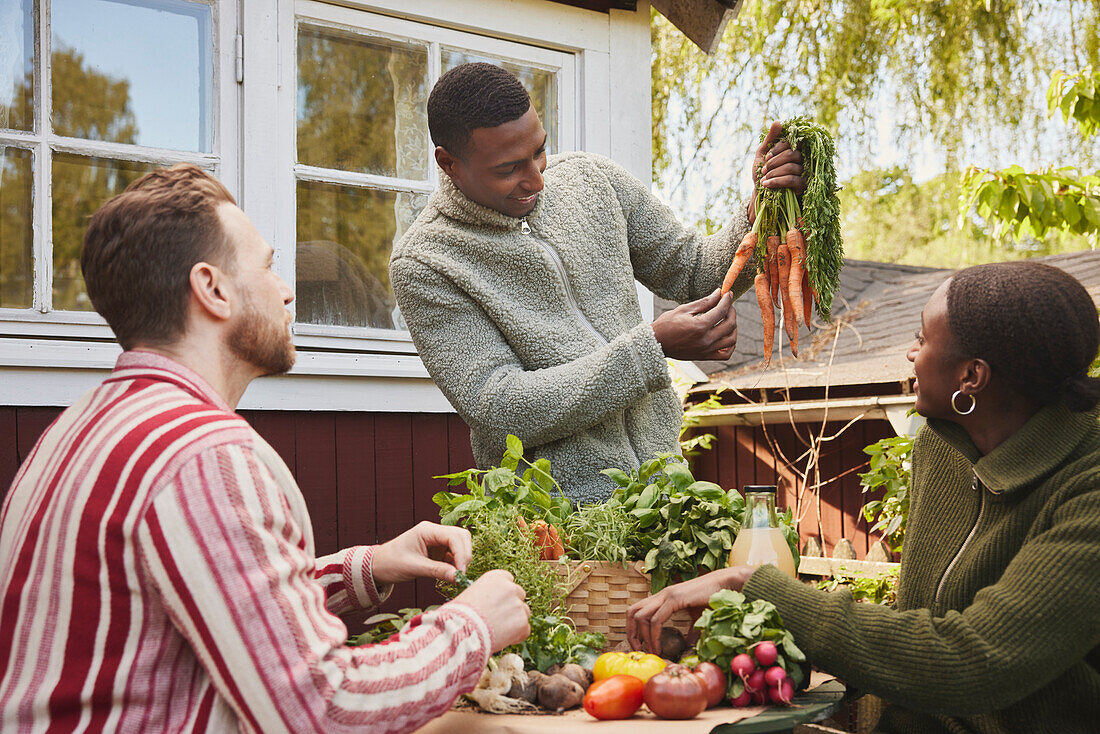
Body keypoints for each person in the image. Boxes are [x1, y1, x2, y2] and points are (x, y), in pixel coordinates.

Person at [0, 164, 530, 733]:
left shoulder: (86, 425)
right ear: (213, 289)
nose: (286, 289)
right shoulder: (201, 455)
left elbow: (215, 598)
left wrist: (368, 566)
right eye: (269, 266)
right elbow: (322, 708)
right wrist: (472, 626)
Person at [626, 261, 1100, 733]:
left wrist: (751, 584)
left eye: (922, 338)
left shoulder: (1087, 490)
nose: (911, 352)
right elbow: (917, 620)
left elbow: (972, 660)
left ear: (971, 376)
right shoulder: (943, 446)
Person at [390, 62, 804, 503]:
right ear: (448, 162)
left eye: (540, 151)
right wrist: (651, 348)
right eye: (508, 168)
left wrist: (760, 209)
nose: (536, 179)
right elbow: (500, 408)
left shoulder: (592, 181)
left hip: (665, 495)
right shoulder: (426, 261)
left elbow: (692, 269)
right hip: (556, 522)